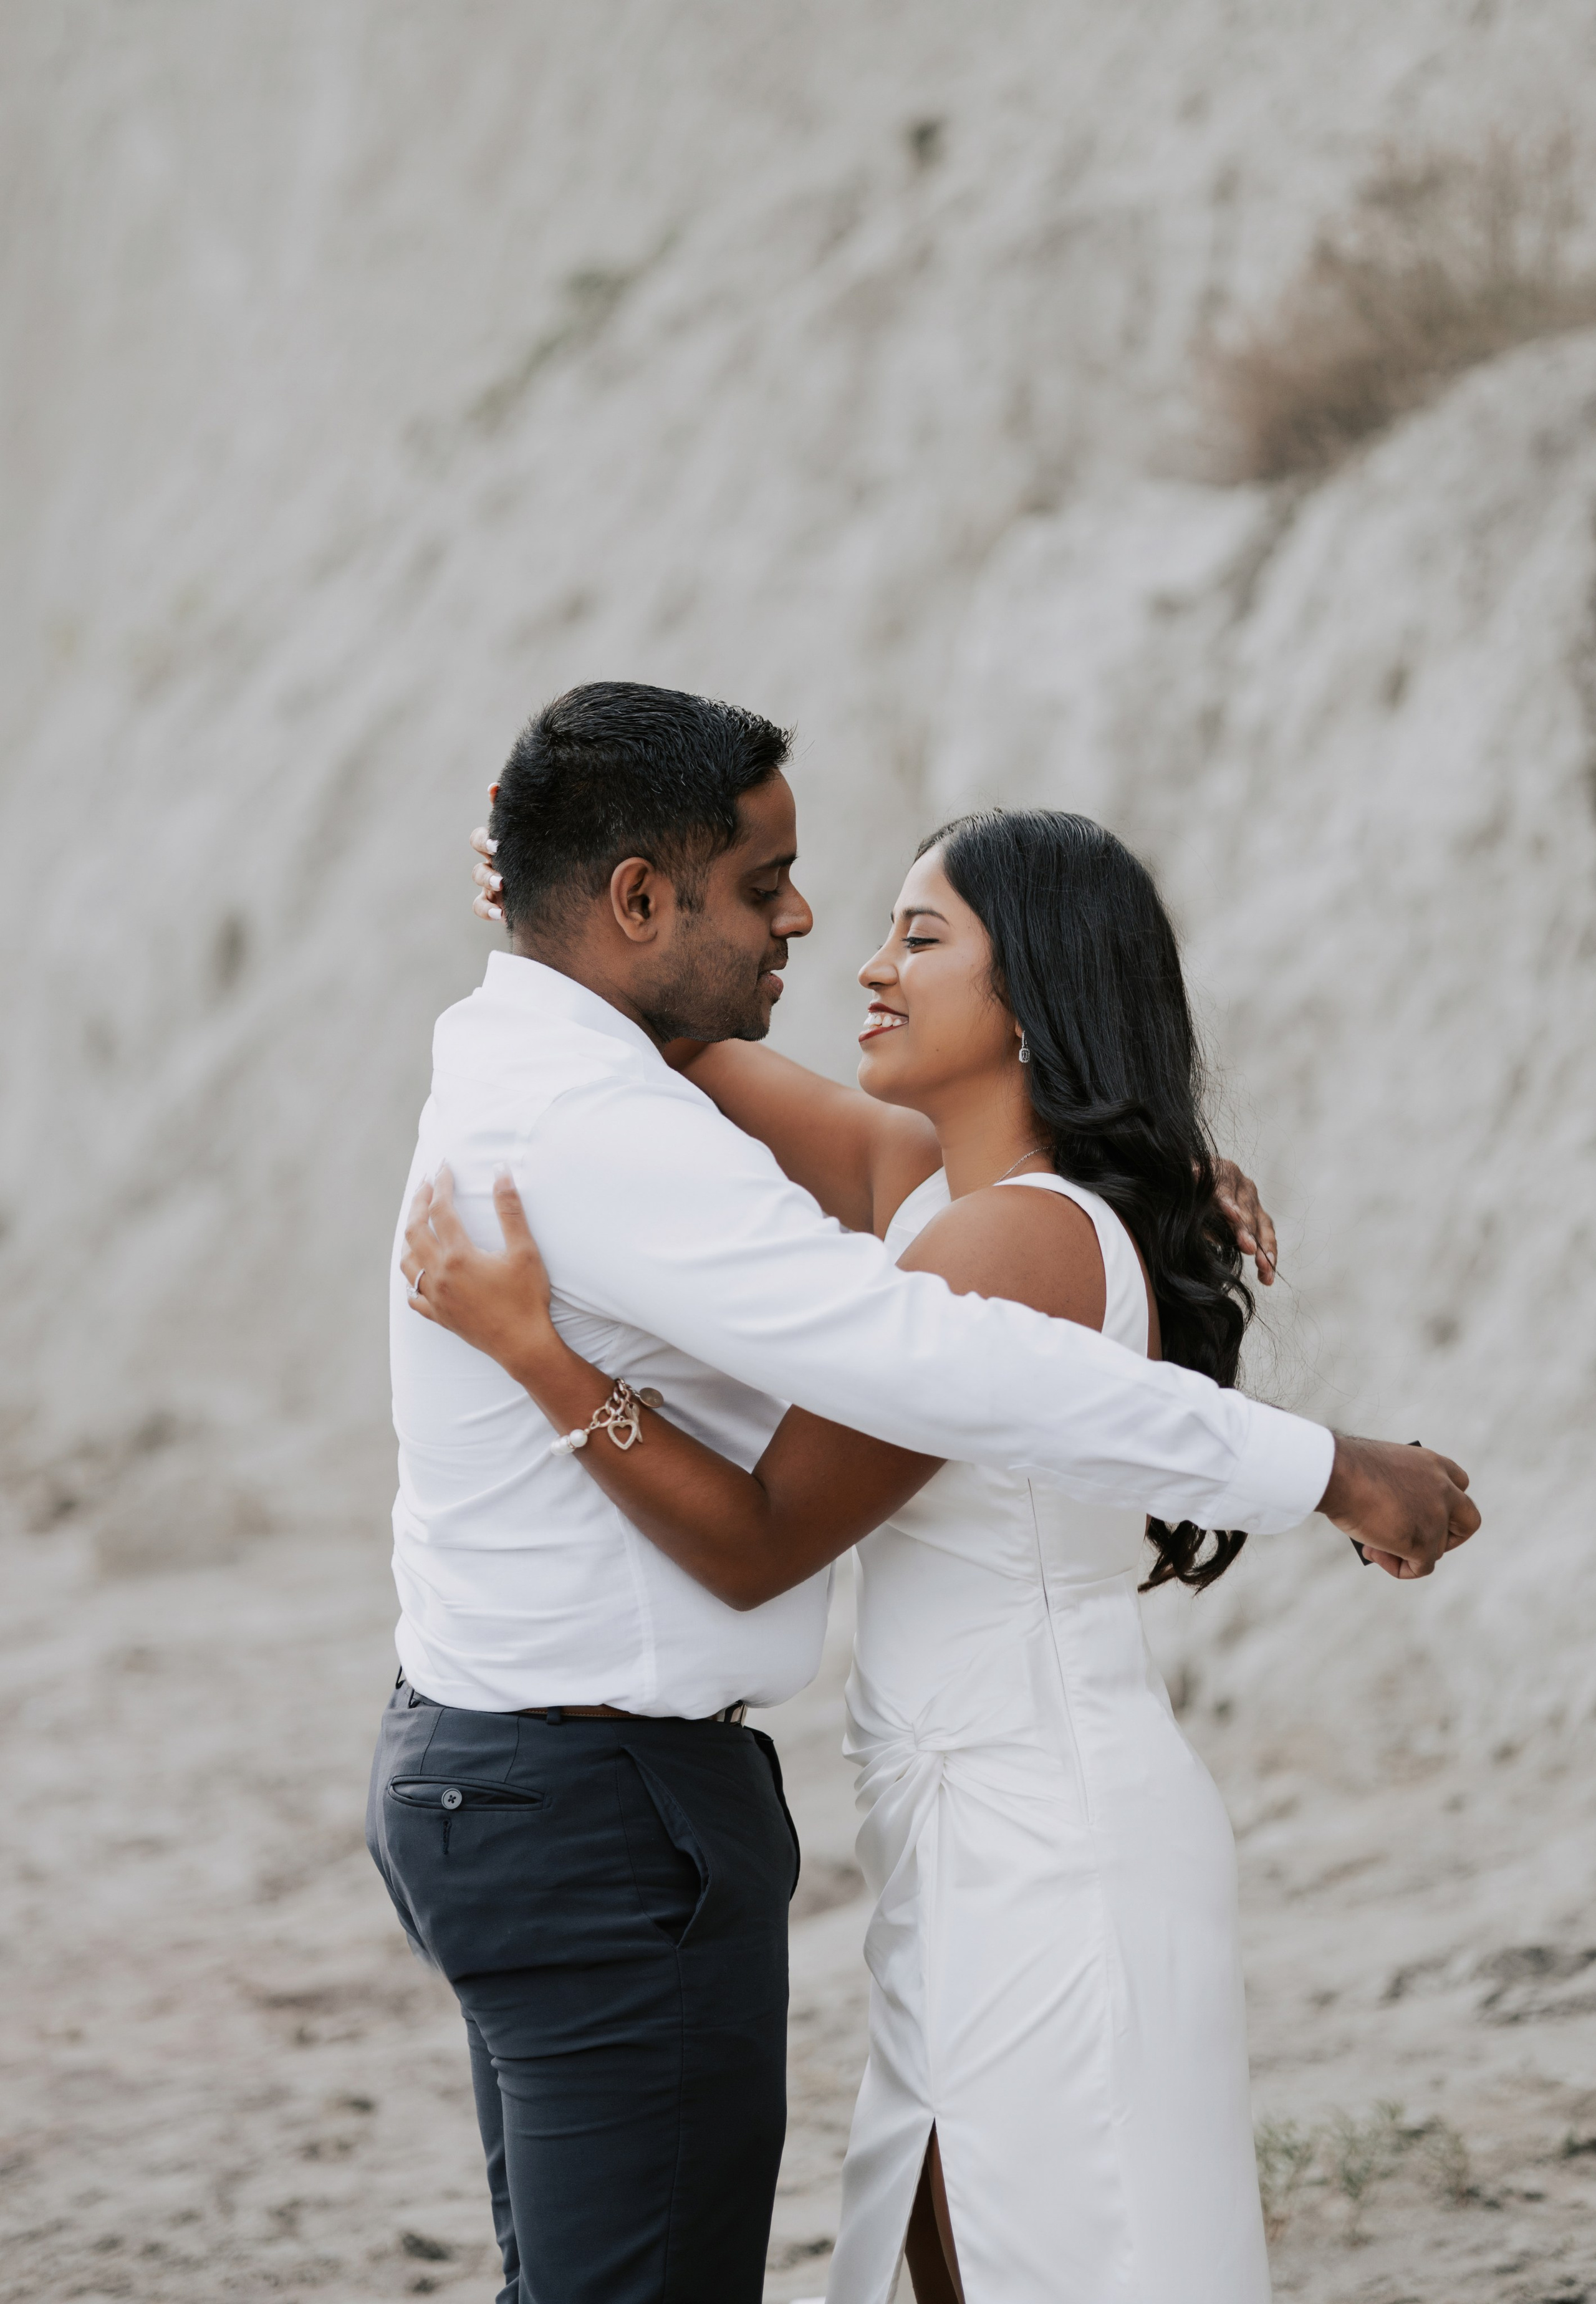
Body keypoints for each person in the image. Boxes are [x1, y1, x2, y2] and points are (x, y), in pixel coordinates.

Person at [373, 681, 1476, 2304]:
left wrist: (550, 1359)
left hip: (1032, 1823)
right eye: (779, 894)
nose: (843, 954)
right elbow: (682, 1044)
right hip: (947, 1824)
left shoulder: (998, 1236)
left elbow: (769, 1527)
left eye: (916, 936)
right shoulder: (928, 1191)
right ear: (639, 899)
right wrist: (562, 912)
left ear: (1034, 998)